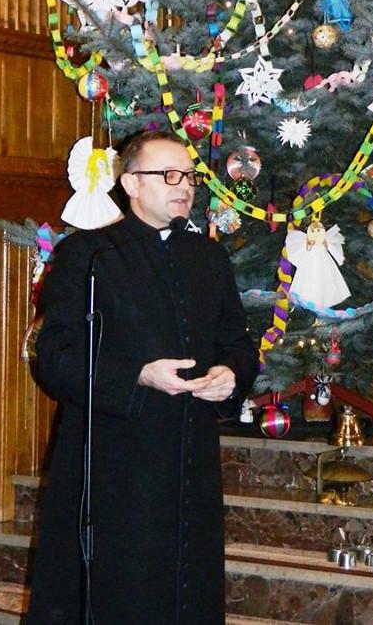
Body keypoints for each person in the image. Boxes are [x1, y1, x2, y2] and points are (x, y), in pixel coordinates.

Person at [27, 131, 259, 625]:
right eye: (169, 176)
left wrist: (231, 374)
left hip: (190, 459)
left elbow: (238, 344)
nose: (185, 186)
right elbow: (55, 355)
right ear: (131, 183)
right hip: (114, 465)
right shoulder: (88, 255)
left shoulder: (209, 258)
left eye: (190, 177)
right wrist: (139, 375)